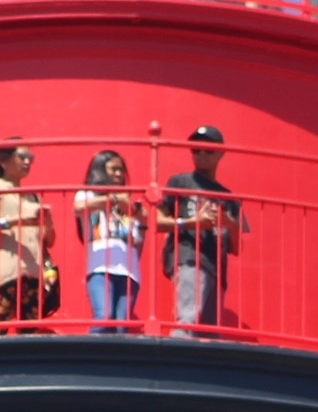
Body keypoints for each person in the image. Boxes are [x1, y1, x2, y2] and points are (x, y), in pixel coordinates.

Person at [160, 123, 246, 330]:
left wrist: (228, 223)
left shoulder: (228, 197)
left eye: (208, 150)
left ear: (220, 154)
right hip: (189, 258)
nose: (201, 155)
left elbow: (236, 247)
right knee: (187, 320)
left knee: (210, 332)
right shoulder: (180, 181)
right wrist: (193, 223)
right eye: (196, 149)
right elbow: (157, 221)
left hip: (216, 267)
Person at [0, 139, 51, 332]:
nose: (27, 162)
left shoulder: (32, 195)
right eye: (22, 157)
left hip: (32, 270)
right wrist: (15, 221)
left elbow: (49, 240)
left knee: (30, 330)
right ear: (3, 161)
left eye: (30, 158)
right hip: (4, 270)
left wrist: (48, 222)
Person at [75, 149, 146, 332]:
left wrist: (141, 219)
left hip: (129, 271)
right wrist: (114, 199)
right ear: (99, 169)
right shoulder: (87, 194)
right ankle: (91, 360)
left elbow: (138, 241)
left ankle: (116, 360)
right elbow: (79, 208)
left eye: (121, 170)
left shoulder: (129, 203)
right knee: (104, 316)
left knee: (123, 325)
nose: (118, 174)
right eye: (113, 169)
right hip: (100, 267)